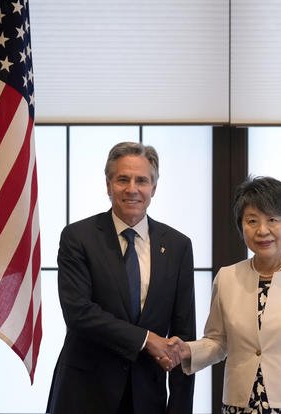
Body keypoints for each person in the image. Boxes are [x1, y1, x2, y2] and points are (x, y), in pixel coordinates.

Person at [168, 176, 281, 414]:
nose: (262, 230)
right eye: (252, 221)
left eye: (272, 219)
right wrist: (187, 350)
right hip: (239, 405)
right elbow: (218, 341)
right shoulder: (227, 278)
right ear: (241, 226)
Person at [46, 141, 196, 414]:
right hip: (84, 393)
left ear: (154, 187)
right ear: (108, 184)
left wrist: (180, 407)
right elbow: (79, 313)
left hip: (147, 396)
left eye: (142, 180)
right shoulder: (78, 238)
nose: (132, 189)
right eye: (122, 179)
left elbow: (183, 336)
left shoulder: (178, 246)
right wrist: (147, 339)